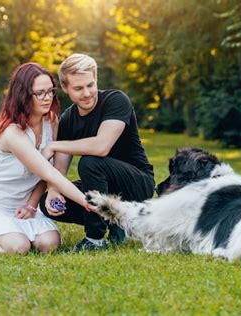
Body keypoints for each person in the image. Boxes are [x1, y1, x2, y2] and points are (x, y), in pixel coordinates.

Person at [0, 62, 91, 254]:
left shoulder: (51, 121)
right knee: (19, 247)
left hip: (21, 205)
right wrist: (88, 203)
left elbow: (46, 174)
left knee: (49, 244)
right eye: (40, 93)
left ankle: (11, 232)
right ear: (23, 95)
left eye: (51, 91)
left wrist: (32, 204)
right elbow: (49, 172)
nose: (48, 98)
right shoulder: (12, 132)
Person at [39, 53, 155, 252]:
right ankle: (116, 222)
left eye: (90, 85)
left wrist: (55, 145)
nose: (86, 93)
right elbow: (59, 171)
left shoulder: (116, 100)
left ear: (96, 79)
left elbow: (102, 146)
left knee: (91, 162)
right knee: (48, 202)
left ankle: (95, 239)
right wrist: (53, 190)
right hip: (101, 183)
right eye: (78, 88)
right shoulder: (68, 119)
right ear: (65, 88)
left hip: (137, 184)